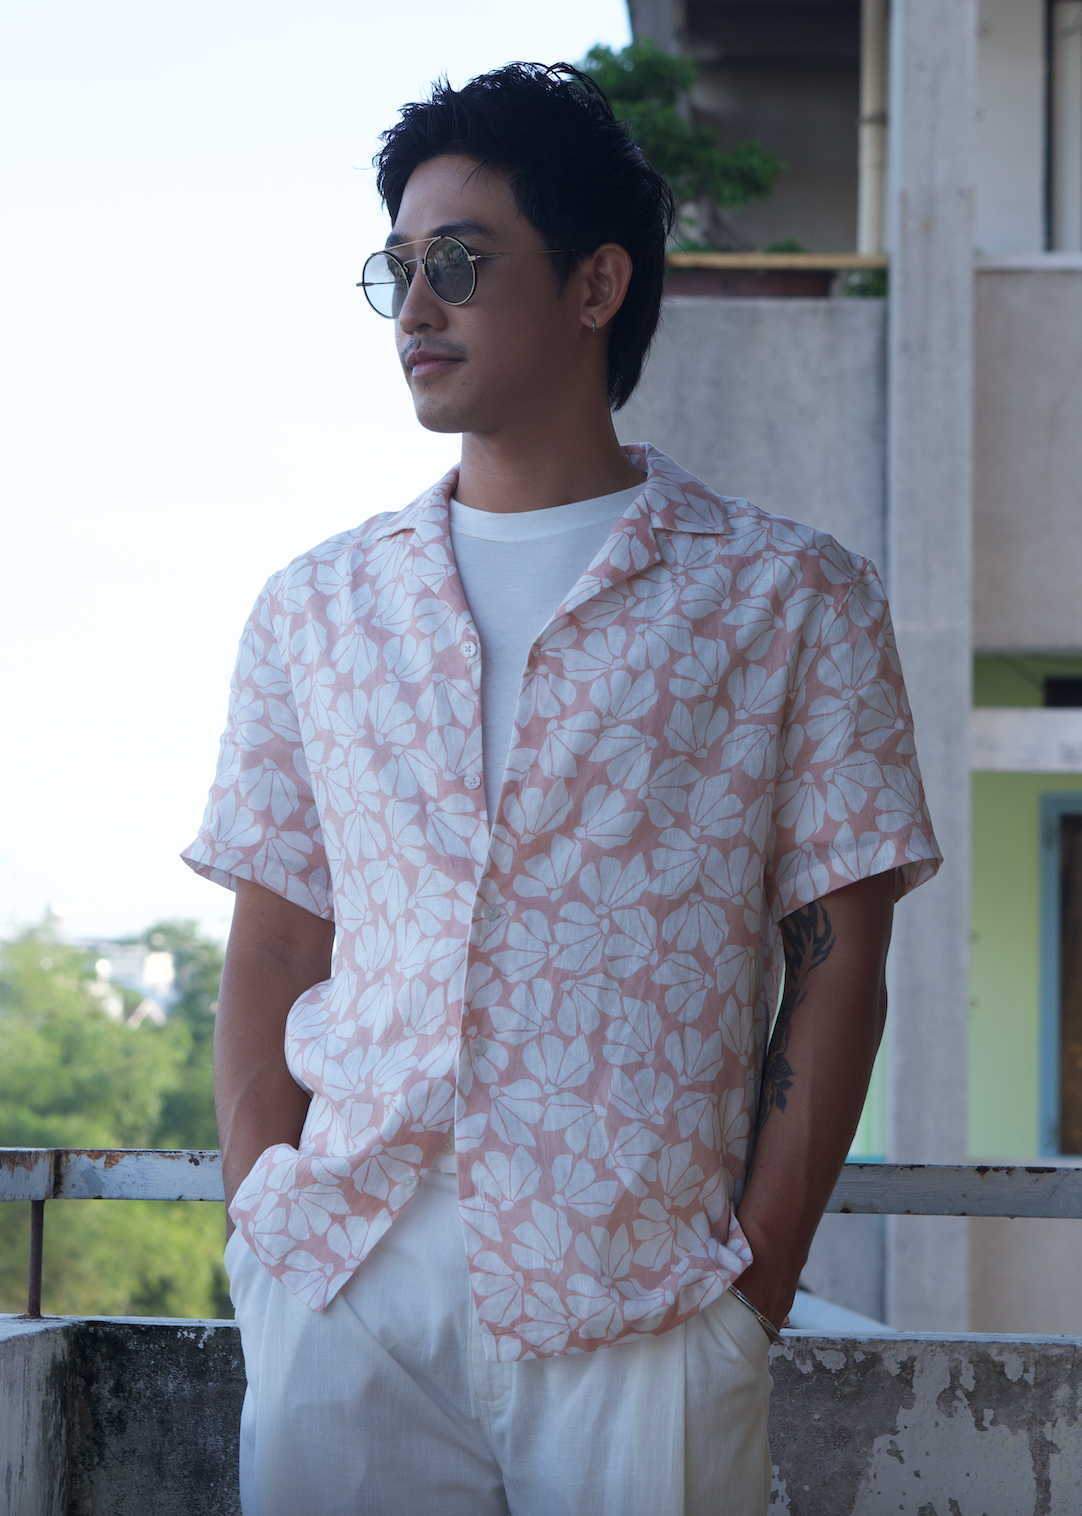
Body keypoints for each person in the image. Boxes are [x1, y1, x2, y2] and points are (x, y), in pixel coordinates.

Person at [183, 61, 940, 1516]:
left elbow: (838, 963)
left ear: (598, 284)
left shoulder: (786, 598)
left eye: (459, 264)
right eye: (395, 270)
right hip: (347, 1291)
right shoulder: (315, 610)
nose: (415, 309)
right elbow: (278, 942)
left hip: (646, 1301)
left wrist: (751, 1294)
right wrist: (263, 1223)